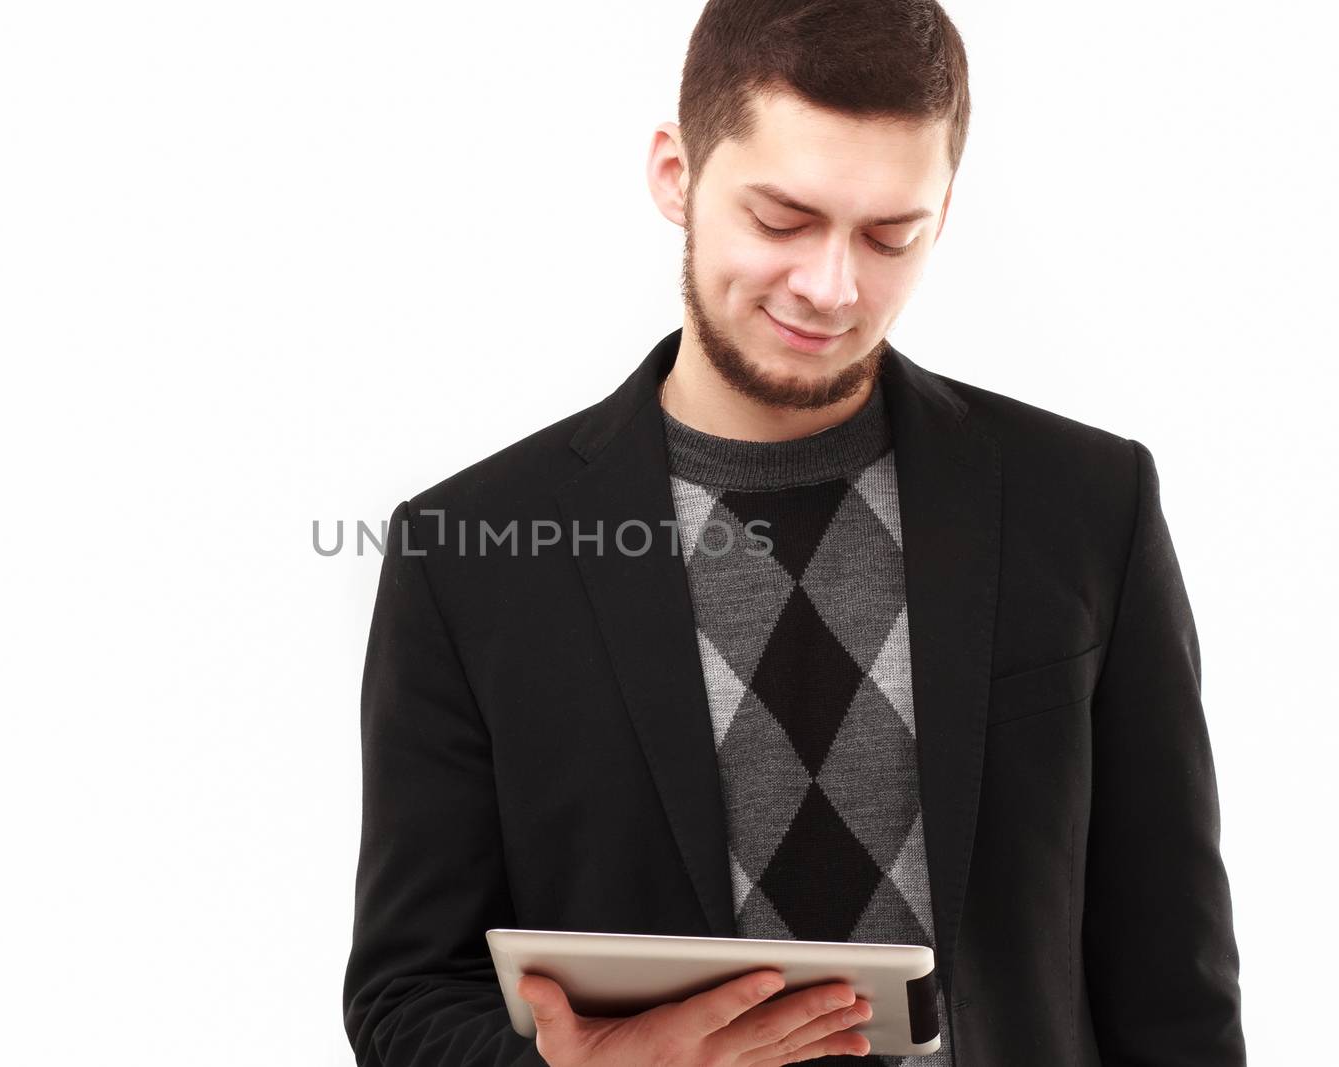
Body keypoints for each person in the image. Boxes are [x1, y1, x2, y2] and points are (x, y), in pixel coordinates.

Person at [340, 1, 1245, 1064]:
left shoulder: (1087, 501)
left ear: (943, 211)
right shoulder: (468, 551)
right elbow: (404, 995)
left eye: (890, 234)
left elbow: (1172, 979)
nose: (832, 286)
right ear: (675, 173)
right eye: (781, 220)